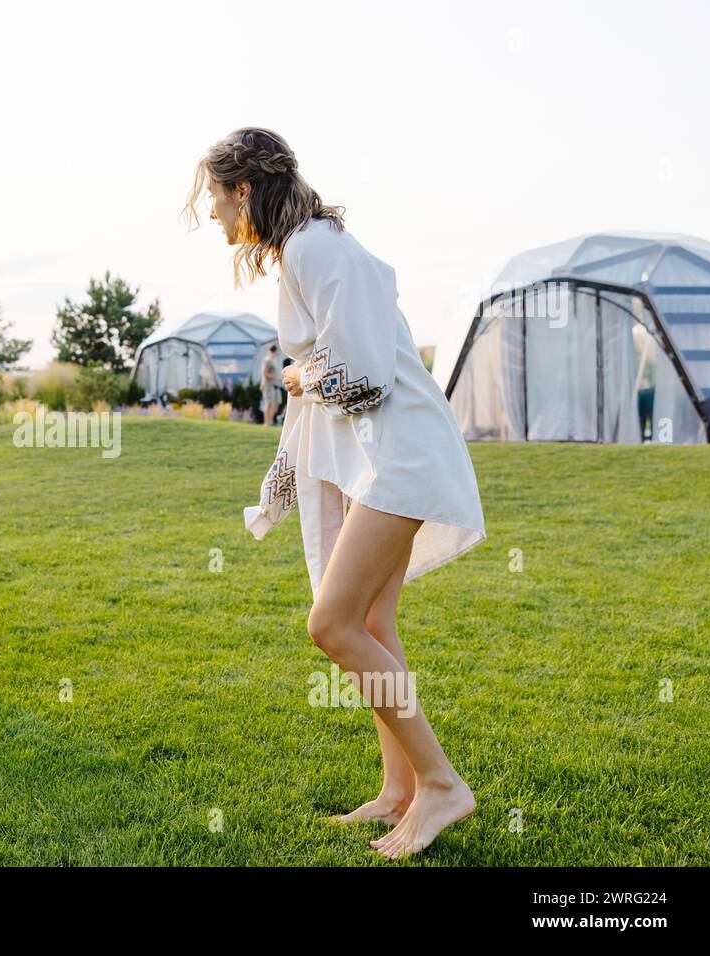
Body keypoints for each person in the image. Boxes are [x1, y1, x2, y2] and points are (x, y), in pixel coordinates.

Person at [182, 127, 487, 860]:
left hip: (402, 459)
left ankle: (442, 784)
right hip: (386, 459)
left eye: (215, 199)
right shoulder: (306, 249)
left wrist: (292, 377)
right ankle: (399, 791)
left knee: (334, 625)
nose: (215, 216)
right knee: (375, 626)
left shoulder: (316, 248)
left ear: (244, 189)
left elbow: (364, 377)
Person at [260, 343, 284, 425]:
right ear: (274, 351)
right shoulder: (268, 360)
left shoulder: (274, 360)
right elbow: (264, 373)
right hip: (268, 385)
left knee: (275, 403)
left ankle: (270, 421)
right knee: (269, 403)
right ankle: (266, 422)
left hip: (275, 385)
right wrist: (276, 378)